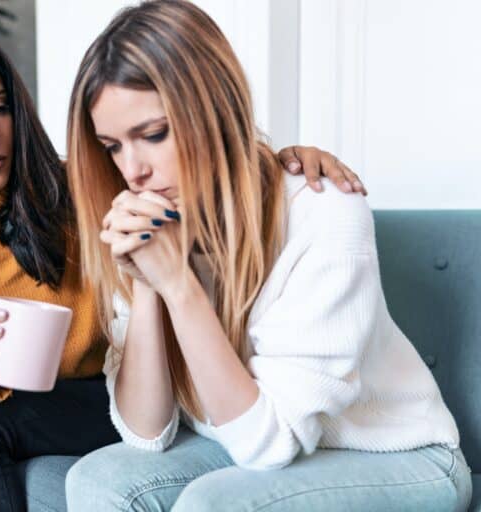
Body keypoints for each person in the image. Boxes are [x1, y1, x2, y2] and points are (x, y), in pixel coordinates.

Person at [0, 18, 364, 512]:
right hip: (10, 382)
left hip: (106, 384)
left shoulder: (86, 188)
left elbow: (196, 167)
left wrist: (282, 161)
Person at [64, 1, 472, 511]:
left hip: (398, 456)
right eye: (113, 146)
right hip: (250, 446)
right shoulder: (157, 221)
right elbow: (147, 433)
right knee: (97, 481)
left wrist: (179, 286)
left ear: (214, 109)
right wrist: (149, 282)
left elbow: (268, 443)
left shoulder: (324, 211)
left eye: (154, 134)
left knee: (215, 505)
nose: (133, 169)